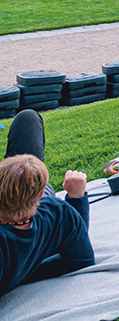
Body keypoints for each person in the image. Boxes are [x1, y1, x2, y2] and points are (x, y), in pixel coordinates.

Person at [0, 110, 94, 297]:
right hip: (35, 206)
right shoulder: (59, 213)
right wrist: (77, 198)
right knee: (27, 118)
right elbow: (80, 257)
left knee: (27, 119)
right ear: (41, 193)